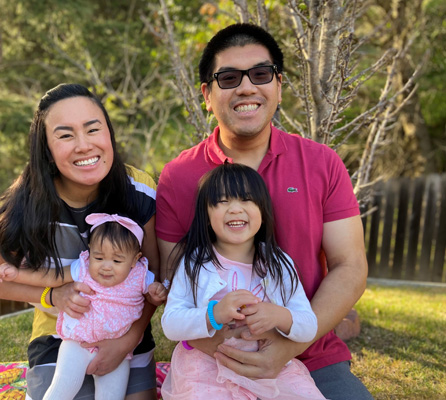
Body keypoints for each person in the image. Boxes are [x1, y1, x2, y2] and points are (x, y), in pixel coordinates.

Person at [155, 23, 372, 399]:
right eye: (228, 77)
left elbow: (350, 265)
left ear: (278, 86)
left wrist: (288, 348)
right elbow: (177, 277)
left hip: (310, 351)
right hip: (213, 356)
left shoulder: (321, 163)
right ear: (207, 94)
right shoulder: (179, 176)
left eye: (260, 74)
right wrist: (228, 351)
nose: (246, 87)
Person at [0, 83, 160, 400]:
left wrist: (127, 340)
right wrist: (51, 295)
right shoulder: (25, 203)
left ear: (109, 134)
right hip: (59, 333)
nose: (84, 145)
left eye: (92, 129)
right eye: (65, 135)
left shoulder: (138, 189)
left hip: (124, 327)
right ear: (45, 148)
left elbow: (153, 274)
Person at [160, 163, 326, 400]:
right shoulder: (194, 263)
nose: (235, 209)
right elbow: (171, 324)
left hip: (270, 370)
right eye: (223, 201)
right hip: (207, 367)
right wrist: (213, 314)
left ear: (263, 210)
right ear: (206, 215)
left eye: (247, 199)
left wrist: (278, 315)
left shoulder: (279, 263)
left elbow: (308, 325)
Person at [0, 213, 167, 400]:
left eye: (117, 261)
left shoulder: (140, 275)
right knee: (61, 389)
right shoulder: (83, 267)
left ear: (134, 260)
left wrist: (157, 293)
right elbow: (51, 276)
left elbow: (153, 297)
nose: (106, 266)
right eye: (99, 257)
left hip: (117, 349)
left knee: (111, 396)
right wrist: (17, 274)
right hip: (77, 343)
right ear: (90, 252)